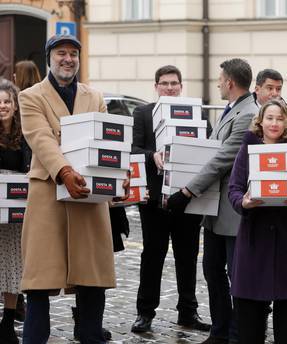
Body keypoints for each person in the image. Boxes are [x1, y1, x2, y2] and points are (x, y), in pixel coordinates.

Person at [18, 34, 127, 343]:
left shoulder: (95, 96)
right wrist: (64, 171)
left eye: (73, 54)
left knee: (93, 281)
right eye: (61, 53)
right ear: (49, 58)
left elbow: (109, 141)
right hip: (48, 198)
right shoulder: (30, 96)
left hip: (90, 199)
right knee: (39, 284)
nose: (68, 59)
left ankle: (91, 335)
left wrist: (120, 176)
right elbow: (41, 139)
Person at [167, 58, 259, 344]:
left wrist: (187, 191)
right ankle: (220, 331)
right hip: (215, 210)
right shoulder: (232, 109)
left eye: (220, 79)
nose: (218, 83)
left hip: (232, 213)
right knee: (212, 271)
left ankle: (235, 334)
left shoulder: (248, 114)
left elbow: (222, 159)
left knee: (235, 275)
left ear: (230, 82)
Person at [130, 65, 210, 333]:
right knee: (152, 256)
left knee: (187, 257)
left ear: (181, 86)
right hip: (153, 199)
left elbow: (207, 149)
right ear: (156, 87)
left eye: (174, 83)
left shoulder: (196, 113)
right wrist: (152, 155)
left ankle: (188, 312)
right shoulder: (142, 113)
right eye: (164, 83)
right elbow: (132, 148)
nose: (170, 88)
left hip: (187, 198)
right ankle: (145, 313)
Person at [228, 99, 287, 344]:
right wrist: (243, 203)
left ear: (286, 121)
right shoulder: (247, 149)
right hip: (254, 235)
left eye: (279, 118)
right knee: (249, 308)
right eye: (269, 118)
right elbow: (234, 189)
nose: (274, 123)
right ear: (261, 121)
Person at [0, 79, 31, 344]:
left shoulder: (25, 135)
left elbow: (30, 169)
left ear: (14, 105)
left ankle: (7, 322)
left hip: (16, 213)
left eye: (7, 101)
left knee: (12, 267)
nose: (3, 106)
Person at [11, 60, 41, 323]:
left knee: (18, 254)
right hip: (28, 192)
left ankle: (16, 307)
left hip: (21, 196)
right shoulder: (40, 99)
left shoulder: (21, 116)